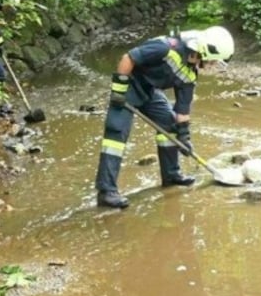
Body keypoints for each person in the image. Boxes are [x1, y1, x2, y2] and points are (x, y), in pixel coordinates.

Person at [94, 26, 235, 208]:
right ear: (204, 51)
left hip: (150, 91)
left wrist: (184, 136)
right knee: (116, 135)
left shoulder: (190, 74)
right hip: (129, 87)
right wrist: (119, 90)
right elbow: (128, 58)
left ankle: (171, 175)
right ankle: (106, 192)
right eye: (213, 61)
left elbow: (182, 110)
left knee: (170, 124)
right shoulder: (166, 47)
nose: (213, 65)